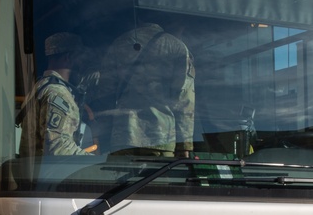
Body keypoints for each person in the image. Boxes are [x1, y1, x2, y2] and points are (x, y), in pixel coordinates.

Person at [89, 22, 195, 157]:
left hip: (123, 137)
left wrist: (105, 135)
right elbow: (184, 102)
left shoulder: (118, 44)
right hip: (161, 138)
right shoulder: (177, 47)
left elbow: (105, 95)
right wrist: (183, 146)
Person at [17, 32, 95, 156]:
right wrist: (94, 162)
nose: (82, 64)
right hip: (51, 174)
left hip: (40, 171)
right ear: (68, 57)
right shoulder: (57, 94)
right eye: (79, 57)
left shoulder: (41, 86)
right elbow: (57, 149)